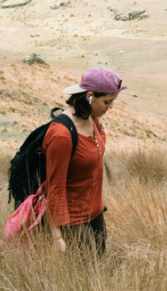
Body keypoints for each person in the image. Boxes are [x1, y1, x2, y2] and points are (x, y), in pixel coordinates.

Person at [46, 67, 124, 255]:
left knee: (100, 268)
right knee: (84, 276)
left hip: (96, 213)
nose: (110, 107)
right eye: (107, 101)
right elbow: (54, 187)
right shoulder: (62, 135)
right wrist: (57, 236)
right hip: (73, 221)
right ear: (89, 96)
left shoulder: (93, 119)